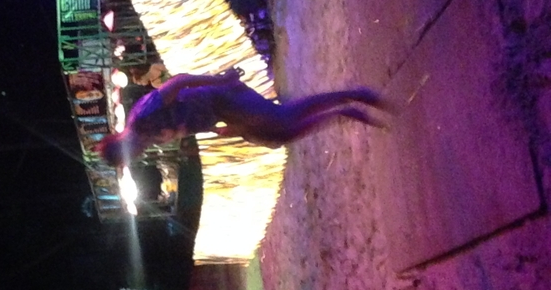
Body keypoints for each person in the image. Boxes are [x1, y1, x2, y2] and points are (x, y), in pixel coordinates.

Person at [95, 68, 390, 167]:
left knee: (281, 119)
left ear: (123, 148)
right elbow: (186, 115)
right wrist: (217, 129)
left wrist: (221, 79)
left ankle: (351, 98)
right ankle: (345, 110)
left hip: (221, 96)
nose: (137, 157)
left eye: (130, 158)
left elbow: (179, 83)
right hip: (221, 111)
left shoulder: (141, 120)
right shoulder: (148, 136)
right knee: (276, 136)